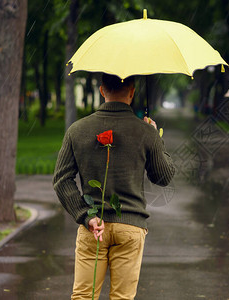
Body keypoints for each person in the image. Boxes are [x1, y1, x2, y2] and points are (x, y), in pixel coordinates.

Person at [53, 73, 175, 299]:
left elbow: (61, 180)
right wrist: (157, 138)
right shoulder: (145, 131)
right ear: (132, 91)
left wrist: (85, 215)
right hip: (130, 228)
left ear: (101, 90)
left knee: (83, 297)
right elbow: (163, 176)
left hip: (93, 228)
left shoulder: (77, 130)